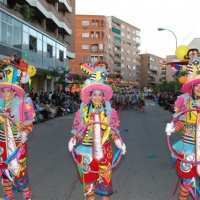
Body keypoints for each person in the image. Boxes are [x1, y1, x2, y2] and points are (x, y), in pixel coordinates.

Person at [68, 65, 126, 200]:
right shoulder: (81, 111)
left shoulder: (110, 112)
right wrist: (73, 140)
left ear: (104, 96)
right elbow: (77, 130)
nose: (97, 97)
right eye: (95, 94)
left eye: (100, 94)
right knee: (88, 186)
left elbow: (112, 131)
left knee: (106, 183)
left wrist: (118, 142)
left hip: (104, 151)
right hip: (86, 150)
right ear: (90, 95)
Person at [165, 56, 200, 199]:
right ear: (191, 86)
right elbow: (180, 123)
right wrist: (172, 129)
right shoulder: (186, 103)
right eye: (196, 85)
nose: (199, 88)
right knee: (187, 182)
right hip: (188, 147)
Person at [0, 63, 35, 199]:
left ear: (14, 92)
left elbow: (30, 125)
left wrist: (24, 133)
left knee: (19, 170)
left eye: (8, 91)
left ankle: (27, 195)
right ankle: (8, 195)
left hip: (17, 144)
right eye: (3, 91)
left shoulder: (22, 105)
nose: (5, 93)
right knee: (3, 169)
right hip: (2, 144)